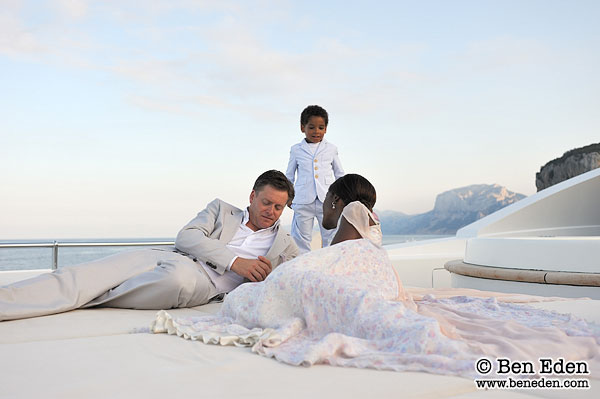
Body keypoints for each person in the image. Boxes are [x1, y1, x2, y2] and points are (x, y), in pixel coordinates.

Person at [153, 174, 600, 379]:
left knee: (277, 294)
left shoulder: (348, 219)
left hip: (343, 271)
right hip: (366, 270)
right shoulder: (369, 230)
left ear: (337, 204)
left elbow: (331, 259)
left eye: (326, 203)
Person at [0, 170, 299, 321]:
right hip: (167, 256)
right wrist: (237, 262)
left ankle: (83, 298)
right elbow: (187, 237)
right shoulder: (221, 209)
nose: (271, 211)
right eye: (266, 202)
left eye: (278, 207)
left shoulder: (285, 246)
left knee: (176, 281)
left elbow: (303, 272)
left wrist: (265, 275)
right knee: (79, 276)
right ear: (252, 196)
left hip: (202, 283)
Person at [285, 105, 344, 253]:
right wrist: (287, 196)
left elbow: (339, 174)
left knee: (330, 236)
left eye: (321, 127)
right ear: (302, 127)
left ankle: (329, 265)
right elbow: (289, 175)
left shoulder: (331, 148)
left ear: (326, 129)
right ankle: (301, 268)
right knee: (300, 238)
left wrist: (342, 196)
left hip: (328, 200)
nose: (316, 131)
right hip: (302, 199)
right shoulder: (296, 149)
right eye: (311, 127)